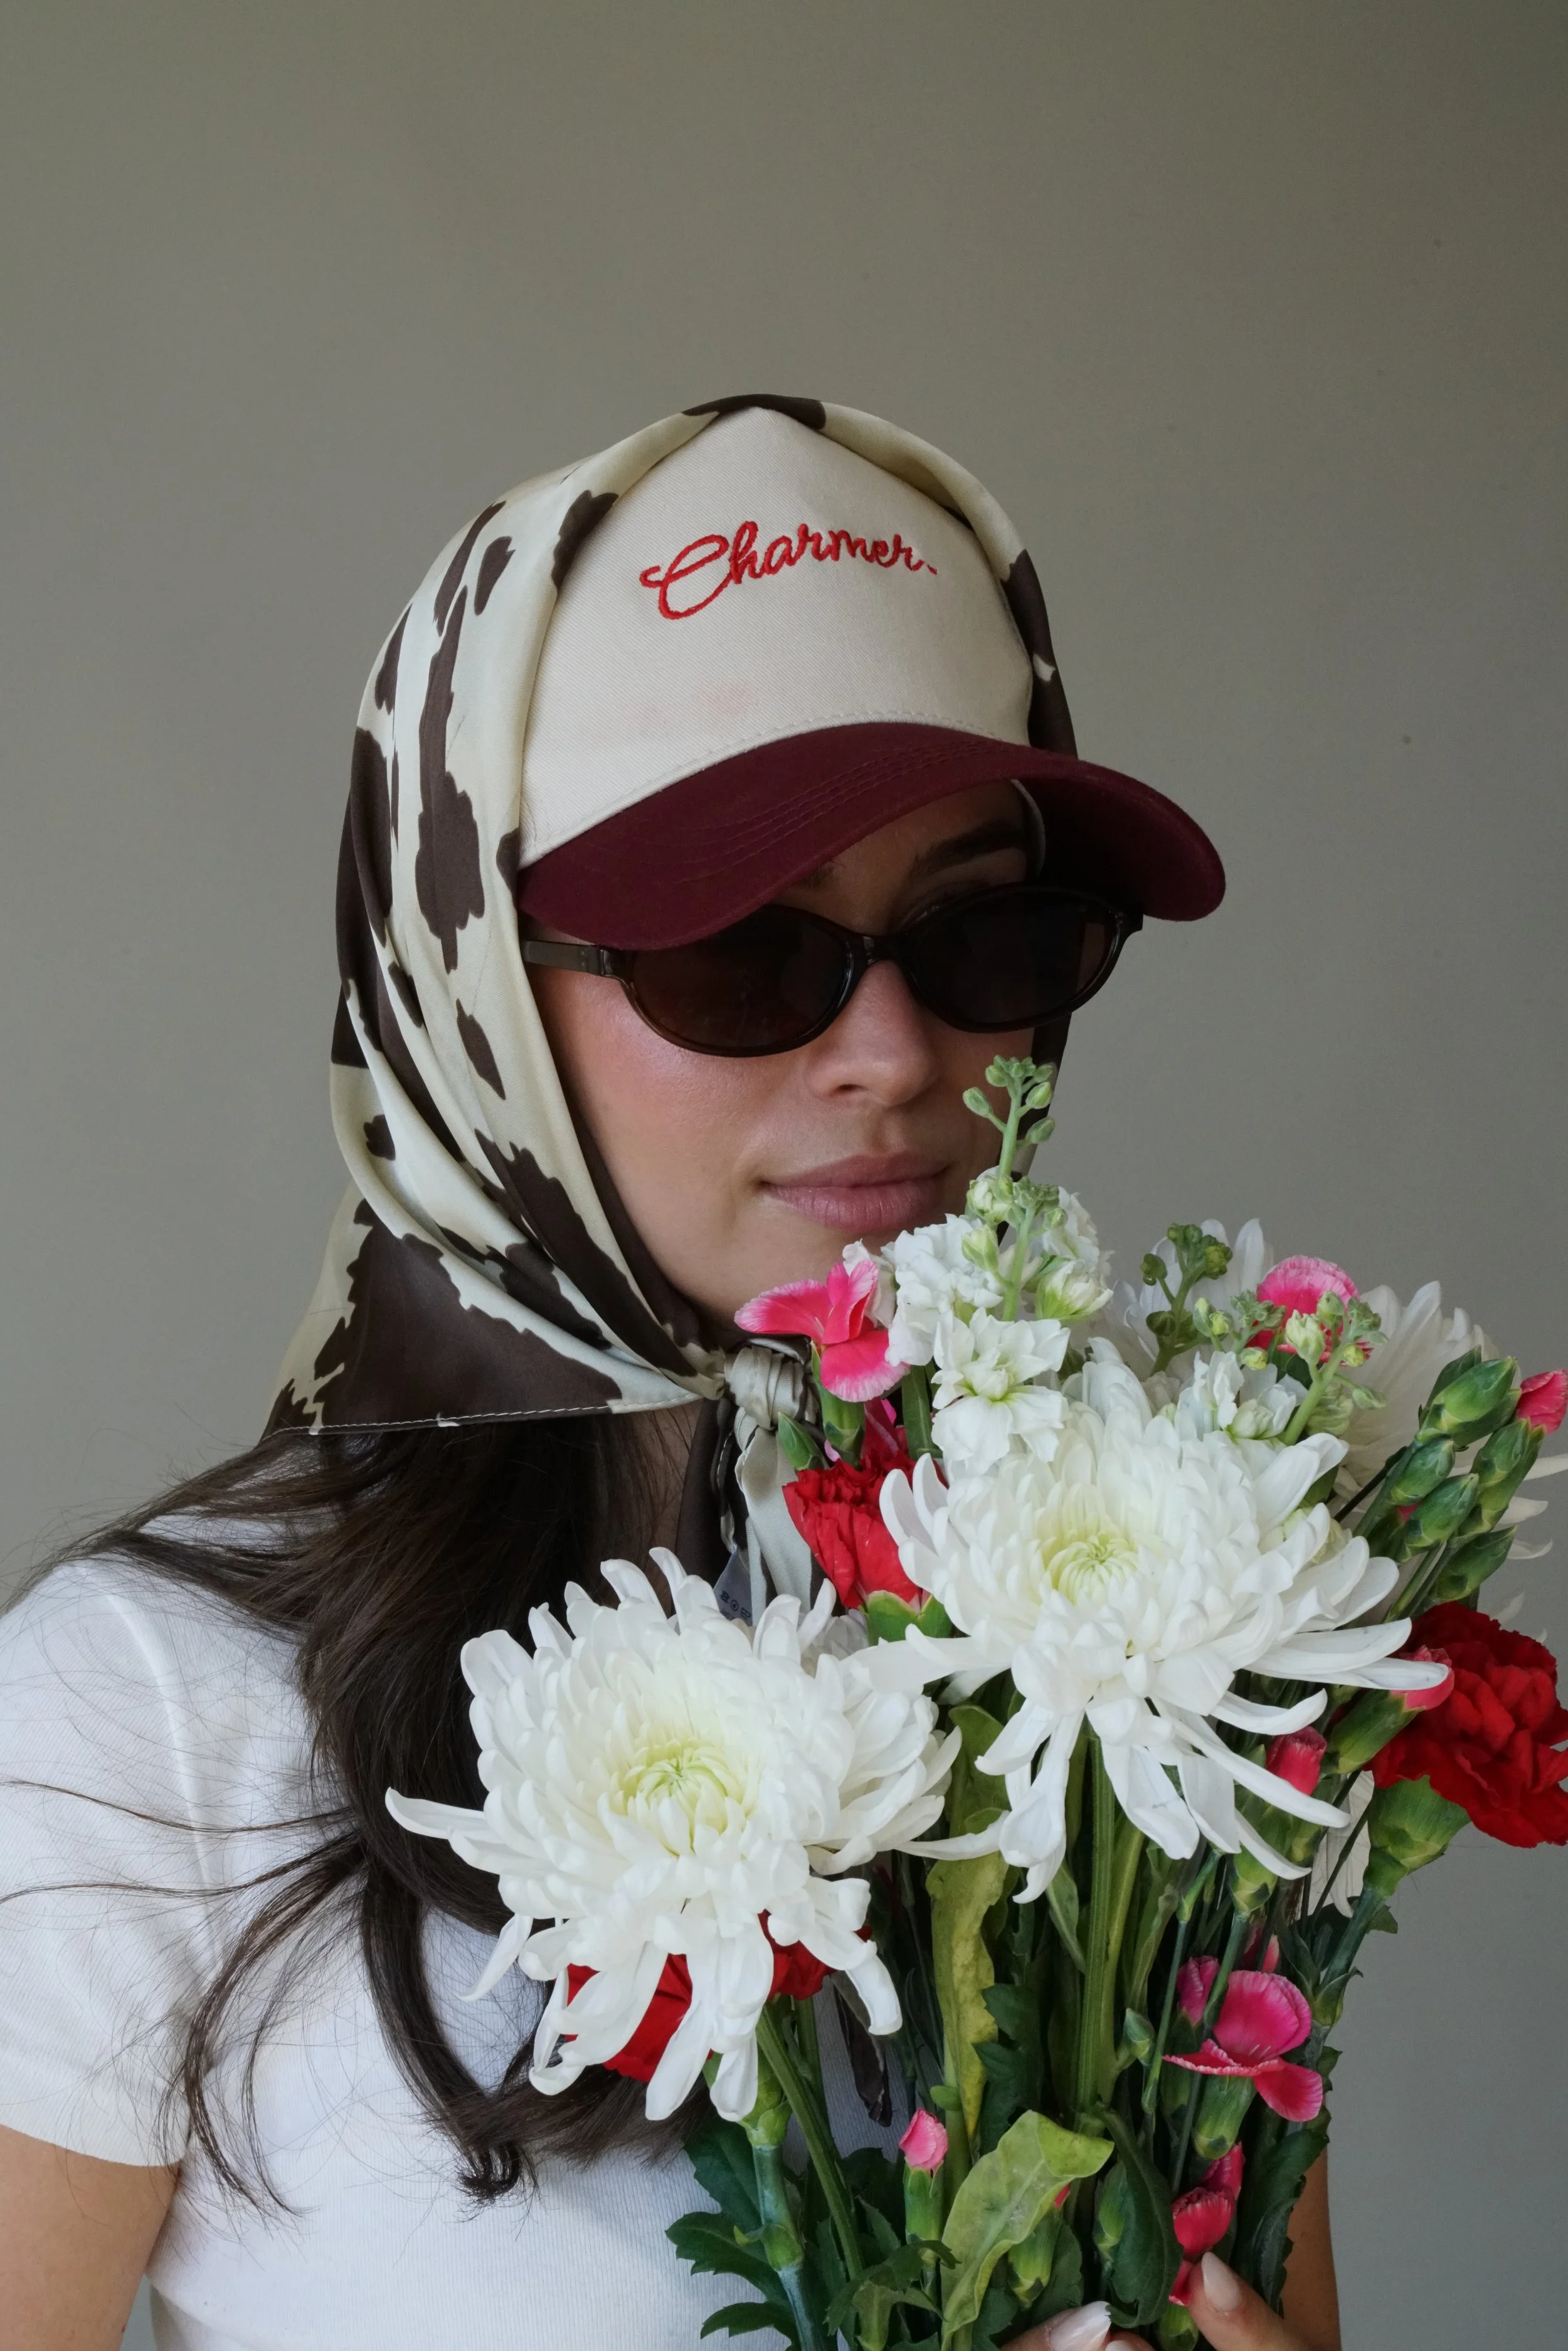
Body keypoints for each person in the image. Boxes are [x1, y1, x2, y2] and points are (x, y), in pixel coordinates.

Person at [0, 396, 1338, 2351]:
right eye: (739, 945)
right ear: (456, 961)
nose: (891, 1048)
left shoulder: (1150, 1673)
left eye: (989, 929)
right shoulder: (141, 1726)